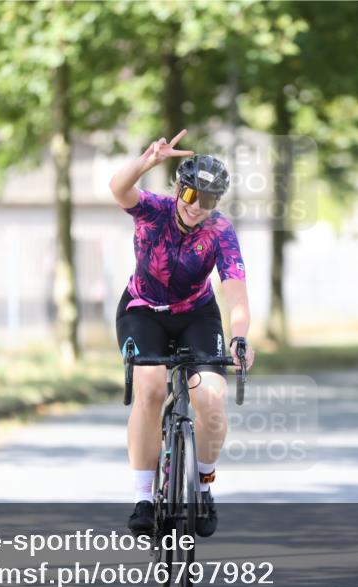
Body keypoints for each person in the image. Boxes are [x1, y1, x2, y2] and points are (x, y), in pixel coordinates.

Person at [108, 129, 255, 538]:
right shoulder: (152, 209)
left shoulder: (220, 232)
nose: (196, 208)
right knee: (151, 387)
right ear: (178, 190)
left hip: (196, 314)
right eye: (190, 196)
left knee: (212, 398)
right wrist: (145, 162)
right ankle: (142, 498)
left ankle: (204, 488)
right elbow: (118, 188)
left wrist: (240, 337)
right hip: (143, 310)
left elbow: (237, 297)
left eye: (207, 202)